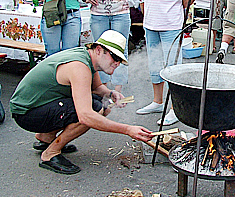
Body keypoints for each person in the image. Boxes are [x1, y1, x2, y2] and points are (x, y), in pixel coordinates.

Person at [10, 30, 153, 175]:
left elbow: (96, 88)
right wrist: (128, 129)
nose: (116, 63)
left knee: (102, 103)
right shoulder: (80, 66)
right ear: (98, 50)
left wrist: (110, 94)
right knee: (95, 109)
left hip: (36, 105)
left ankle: (45, 137)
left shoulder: (87, 57)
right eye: (114, 57)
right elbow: (86, 116)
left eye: (119, 60)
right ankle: (50, 153)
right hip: (26, 113)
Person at [136, 0, 195, 126]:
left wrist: (180, 13)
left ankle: (174, 108)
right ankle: (157, 101)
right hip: (150, 23)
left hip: (171, 24)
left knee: (172, 68)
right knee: (154, 64)